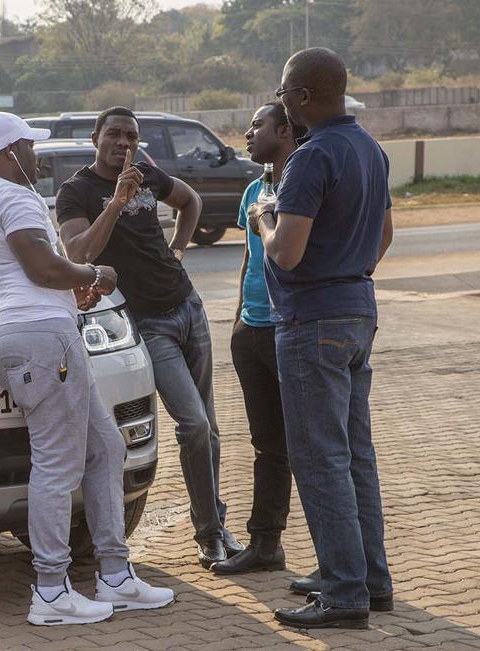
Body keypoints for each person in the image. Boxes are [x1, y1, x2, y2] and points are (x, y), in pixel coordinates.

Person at [0, 112, 174, 627]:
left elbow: (24, 270)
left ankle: (115, 575)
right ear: (10, 152)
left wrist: (68, 284)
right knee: (57, 462)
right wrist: (91, 273)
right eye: (29, 147)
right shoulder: (13, 196)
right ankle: (51, 590)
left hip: (23, 330)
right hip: (41, 338)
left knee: (106, 446)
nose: (36, 156)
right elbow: (41, 267)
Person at [56, 106, 244, 570]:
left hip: (189, 309)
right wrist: (117, 202)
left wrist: (179, 249)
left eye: (131, 137)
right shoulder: (76, 192)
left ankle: (216, 525)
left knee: (210, 428)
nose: (123, 143)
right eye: (115, 134)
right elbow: (78, 253)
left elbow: (191, 201)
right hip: (149, 326)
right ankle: (209, 535)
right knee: (193, 425)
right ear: (96, 136)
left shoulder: (147, 174)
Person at [247, 48, 395, 629]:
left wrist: (263, 216)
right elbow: (384, 234)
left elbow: (285, 252)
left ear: (303, 97)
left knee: (319, 459)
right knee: (356, 454)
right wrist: (349, 269)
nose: (281, 101)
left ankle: (342, 590)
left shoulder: (311, 158)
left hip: (311, 322)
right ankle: (367, 577)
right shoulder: (370, 149)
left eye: (284, 93)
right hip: (357, 309)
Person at [211, 102, 309, 576]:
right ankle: (265, 544)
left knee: (311, 445)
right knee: (268, 444)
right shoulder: (253, 188)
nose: (247, 134)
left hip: (292, 332)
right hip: (251, 332)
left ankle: (339, 559)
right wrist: (238, 322)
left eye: (257, 126)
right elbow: (251, 260)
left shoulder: (303, 185)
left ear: (285, 130)